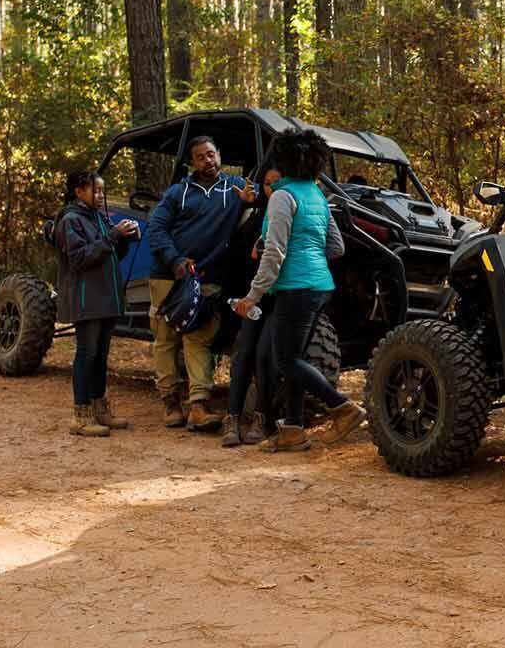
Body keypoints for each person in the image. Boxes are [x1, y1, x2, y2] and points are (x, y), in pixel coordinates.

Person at [232, 130, 366, 452]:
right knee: (294, 358)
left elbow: (274, 252)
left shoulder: (282, 196)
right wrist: (307, 253)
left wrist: (253, 295)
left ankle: (344, 408)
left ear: (284, 159)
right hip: (320, 287)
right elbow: (336, 246)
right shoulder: (318, 196)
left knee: (285, 360)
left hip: (295, 288)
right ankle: (293, 428)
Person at [145, 135, 256, 432]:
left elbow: (256, 198)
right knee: (166, 338)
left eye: (211, 154)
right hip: (168, 274)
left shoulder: (235, 189)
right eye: (200, 157)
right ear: (192, 162)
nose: (208, 161)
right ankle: (170, 402)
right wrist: (175, 259)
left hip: (205, 276)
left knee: (198, 335)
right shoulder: (177, 193)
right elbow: (155, 229)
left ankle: (198, 405)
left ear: (219, 154)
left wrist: (251, 198)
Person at [54, 170, 139, 437]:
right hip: (86, 299)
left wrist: (125, 238)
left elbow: (109, 254)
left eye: (103, 191)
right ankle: (81, 415)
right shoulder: (71, 220)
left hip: (106, 297)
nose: (100, 195)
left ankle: (99, 408)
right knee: (86, 354)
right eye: (95, 190)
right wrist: (113, 236)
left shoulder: (99, 219)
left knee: (101, 356)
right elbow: (80, 258)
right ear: (79, 192)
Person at [221, 167, 282, 448]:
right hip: (249, 296)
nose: (271, 188)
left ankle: (261, 418)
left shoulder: (287, 212)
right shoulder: (254, 214)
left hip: (276, 297)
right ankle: (232, 418)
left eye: (276, 183)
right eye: (267, 184)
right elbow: (232, 247)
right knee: (244, 352)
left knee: (264, 355)